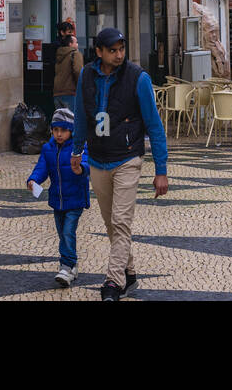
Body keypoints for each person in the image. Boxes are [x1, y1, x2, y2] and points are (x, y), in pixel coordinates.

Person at [71, 27, 169, 301]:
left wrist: (161, 171)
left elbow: (155, 126)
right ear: (99, 52)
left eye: (121, 49)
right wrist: (77, 150)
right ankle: (130, 273)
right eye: (112, 50)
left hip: (128, 157)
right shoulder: (87, 77)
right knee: (111, 224)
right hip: (98, 159)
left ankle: (112, 283)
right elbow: (81, 116)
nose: (118, 55)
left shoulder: (138, 78)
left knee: (121, 221)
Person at [28, 108, 91, 287]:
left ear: (71, 130)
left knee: (68, 232)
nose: (59, 134)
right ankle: (72, 265)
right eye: (56, 130)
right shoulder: (48, 148)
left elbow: (87, 163)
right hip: (57, 200)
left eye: (63, 130)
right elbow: (42, 168)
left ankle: (67, 266)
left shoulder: (79, 147)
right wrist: (33, 180)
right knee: (62, 234)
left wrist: (81, 169)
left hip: (76, 199)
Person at [52, 21, 83, 111]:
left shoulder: (59, 52)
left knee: (61, 121)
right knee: (72, 120)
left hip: (57, 92)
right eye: (76, 42)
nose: (77, 44)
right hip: (70, 91)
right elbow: (78, 71)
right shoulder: (75, 53)